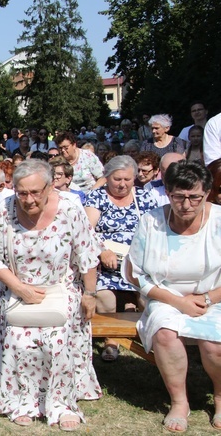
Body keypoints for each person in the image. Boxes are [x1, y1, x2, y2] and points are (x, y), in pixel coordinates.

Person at [0, 159, 101, 430]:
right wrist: (19, 288)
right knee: (18, 336)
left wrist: (90, 293)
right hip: (16, 289)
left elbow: (87, 254)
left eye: (36, 192)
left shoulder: (70, 208)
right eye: (22, 192)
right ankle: (21, 400)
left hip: (61, 288)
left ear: (50, 187)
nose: (29, 199)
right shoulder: (3, 209)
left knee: (57, 336)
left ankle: (61, 403)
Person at [124, 160, 221, 433]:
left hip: (214, 297)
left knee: (215, 342)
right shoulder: (151, 221)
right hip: (165, 297)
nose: (186, 204)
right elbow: (138, 275)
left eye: (195, 197)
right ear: (168, 193)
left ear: (207, 193)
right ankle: (179, 402)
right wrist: (179, 302)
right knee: (165, 332)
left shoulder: (220, 221)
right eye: (179, 196)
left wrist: (209, 299)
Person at [84, 155, 157, 361]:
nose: (122, 184)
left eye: (127, 179)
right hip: (105, 263)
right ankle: (112, 339)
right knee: (105, 297)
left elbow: (155, 230)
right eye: (117, 179)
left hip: (138, 263)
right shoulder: (97, 197)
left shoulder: (144, 198)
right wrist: (102, 250)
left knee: (148, 298)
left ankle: (150, 337)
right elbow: (86, 230)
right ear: (107, 177)